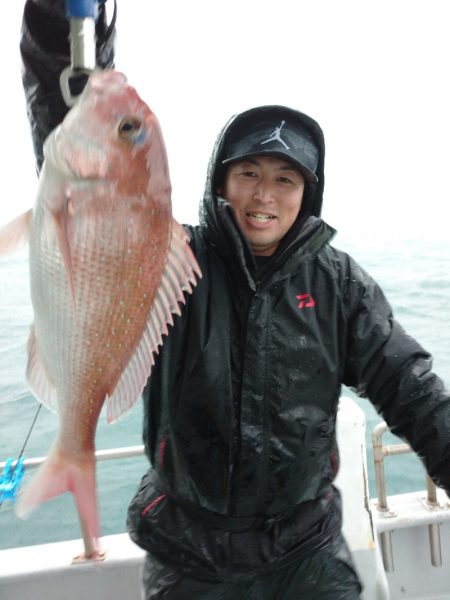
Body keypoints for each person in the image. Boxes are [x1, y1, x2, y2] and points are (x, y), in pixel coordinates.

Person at [20, 2, 450, 598]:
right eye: (247, 172)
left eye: (285, 178)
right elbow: (76, 142)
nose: (264, 195)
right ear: (218, 182)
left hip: (306, 550)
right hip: (187, 552)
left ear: (309, 193)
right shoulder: (168, 260)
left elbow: (411, 388)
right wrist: (56, 24)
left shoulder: (338, 286)